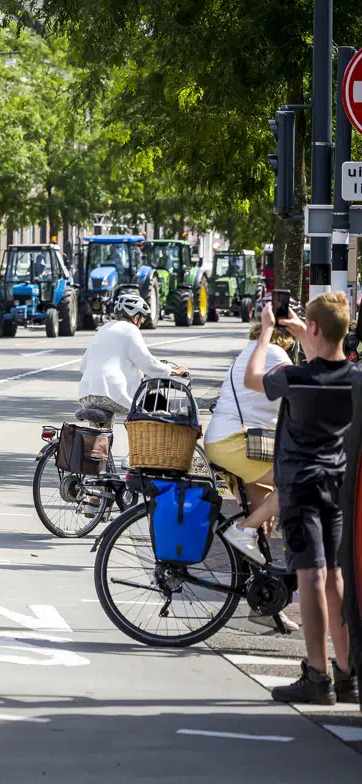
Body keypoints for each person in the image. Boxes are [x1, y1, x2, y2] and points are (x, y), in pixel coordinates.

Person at [244, 292, 357, 705]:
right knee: (335, 578)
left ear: (312, 329)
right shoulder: (354, 378)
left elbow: (252, 378)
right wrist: (304, 328)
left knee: (310, 576)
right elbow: (329, 353)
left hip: (299, 486)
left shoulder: (295, 377)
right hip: (336, 484)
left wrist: (267, 333)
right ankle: (346, 674)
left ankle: (317, 674)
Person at [205, 320, 294, 565]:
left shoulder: (249, 352)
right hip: (236, 443)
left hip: (222, 442)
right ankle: (243, 528)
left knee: (262, 516)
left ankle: (257, 584)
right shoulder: (275, 353)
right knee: (295, 481)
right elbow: (299, 393)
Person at [76, 293, 187, 422]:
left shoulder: (103, 328)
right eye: (142, 318)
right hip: (112, 393)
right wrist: (175, 372)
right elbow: (148, 363)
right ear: (135, 316)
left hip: (86, 394)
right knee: (144, 416)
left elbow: (83, 366)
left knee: (99, 433)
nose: (141, 323)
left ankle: (96, 440)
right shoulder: (131, 330)